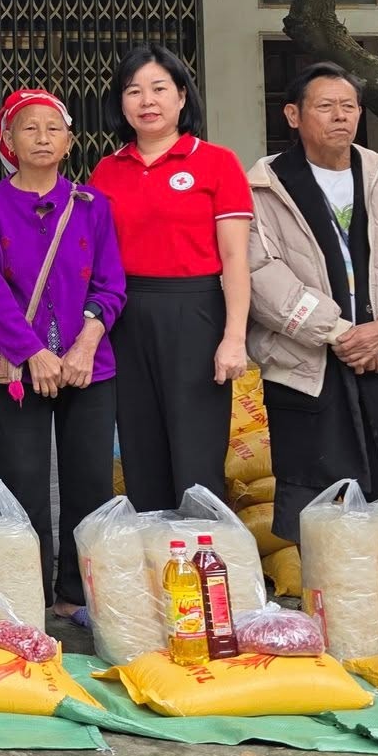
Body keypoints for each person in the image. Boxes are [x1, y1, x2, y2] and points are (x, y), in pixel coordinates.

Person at [246, 63, 378, 542]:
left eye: (349, 106)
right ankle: (318, 583)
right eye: (325, 106)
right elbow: (259, 272)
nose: (341, 116)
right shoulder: (263, 186)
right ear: (293, 115)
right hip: (308, 361)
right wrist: (341, 335)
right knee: (311, 494)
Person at [0, 89, 126, 619]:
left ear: (69, 141)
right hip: (21, 368)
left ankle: (76, 593)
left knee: (90, 483)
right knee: (23, 484)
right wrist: (33, 351)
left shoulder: (92, 205)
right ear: (8, 141)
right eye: (29, 128)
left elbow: (111, 283)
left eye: (53, 128)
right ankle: (28, 594)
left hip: (89, 367)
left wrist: (85, 345)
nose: (42, 137)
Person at [86, 44, 252, 510]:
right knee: (141, 448)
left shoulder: (216, 162)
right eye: (133, 91)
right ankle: (155, 546)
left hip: (195, 311)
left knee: (196, 448)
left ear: (182, 96)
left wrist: (234, 337)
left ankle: (203, 548)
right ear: (121, 103)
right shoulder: (107, 170)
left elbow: (236, 258)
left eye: (159, 88)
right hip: (125, 314)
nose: (147, 101)